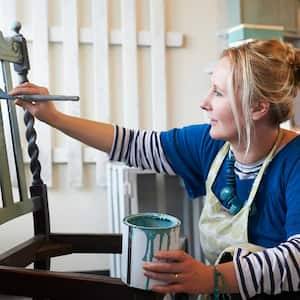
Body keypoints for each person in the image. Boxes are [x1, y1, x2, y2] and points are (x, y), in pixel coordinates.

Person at [10, 39, 300, 299]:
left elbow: (297, 258)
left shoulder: (294, 161)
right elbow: (134, 145)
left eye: (218, 93)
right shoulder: (209, 145)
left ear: (257, 108)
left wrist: (209, 278)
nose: (204, 102)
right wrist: (53, 117)